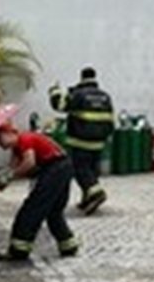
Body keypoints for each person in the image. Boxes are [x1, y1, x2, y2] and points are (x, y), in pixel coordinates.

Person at [0, 122, 79, 261]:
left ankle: (19, 249)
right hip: (63, 166)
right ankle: (68, 245)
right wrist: (6, 178)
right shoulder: (18, 147)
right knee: (54, 211)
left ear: (9, 133)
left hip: (54, 168)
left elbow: (29, 163)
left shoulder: (25, 139)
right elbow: (13, 167)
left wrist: (10, 176)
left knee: (32, 209)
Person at [48, 66, 115, 214]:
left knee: (81, 170)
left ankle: (96, 193)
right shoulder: (105, 96)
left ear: (82, 78)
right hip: (99, 143)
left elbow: (59, 106)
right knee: (91, 170)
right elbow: (111, 119)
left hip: (80, 141)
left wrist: (54, 92)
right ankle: (87, 199)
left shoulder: (78, 95)